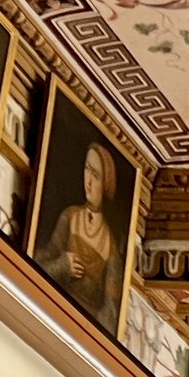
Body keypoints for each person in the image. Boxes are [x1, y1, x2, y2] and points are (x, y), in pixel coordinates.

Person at [34, 139, 123, 331]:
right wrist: (62, 266)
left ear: (106, 185)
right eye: (87, 169)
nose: (88, 181)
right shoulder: (70, 216)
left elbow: (110, 314)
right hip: (49, 308)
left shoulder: (110, 246)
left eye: (96, 175)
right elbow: (37, 264)